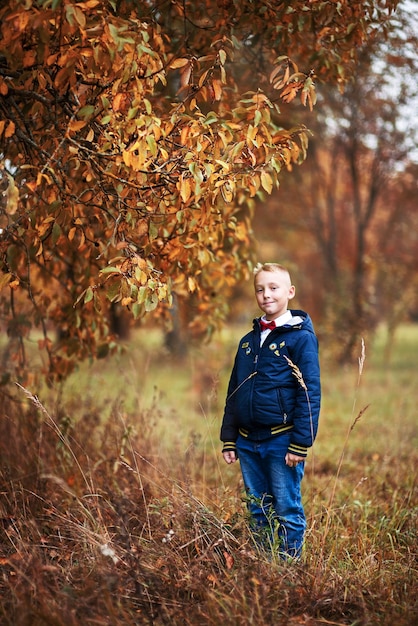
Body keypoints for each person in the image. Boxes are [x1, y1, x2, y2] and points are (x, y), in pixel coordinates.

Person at [220, 262, 321, 560]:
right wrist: (229, 436)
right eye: (260, 289)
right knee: (258, 507)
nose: (266, 295)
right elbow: (234, 391)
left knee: (286, 506)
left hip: (281, 440)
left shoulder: (300, 338)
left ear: (290, 292)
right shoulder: (248, 342)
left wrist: (300, 442)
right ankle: (265, 566)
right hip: (248, 441)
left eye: (274, 288)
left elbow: (309, 393)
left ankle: (289, 569)